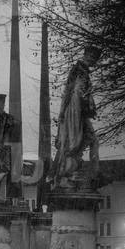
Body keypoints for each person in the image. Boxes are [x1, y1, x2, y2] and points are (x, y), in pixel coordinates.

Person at [51, 46, 102, 189]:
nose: (93, 60)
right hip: (75, 108)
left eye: (95, 58)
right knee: (74, 143)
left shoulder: (83, 71)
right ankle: (66, 176)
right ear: (86, 55)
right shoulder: (79, 70)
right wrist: (63, 112)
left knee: (92, 140)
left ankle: (93, 174)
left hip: (80, 110)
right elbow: (72, 91)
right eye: (91, 57)